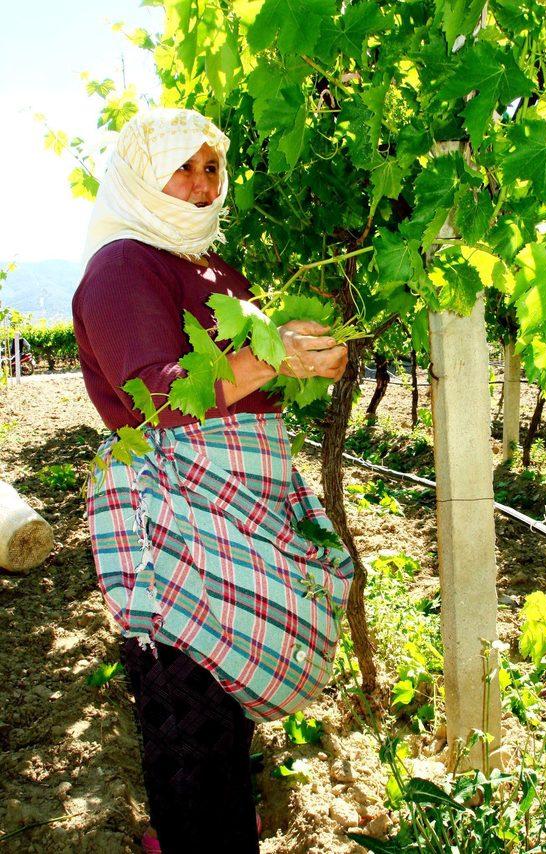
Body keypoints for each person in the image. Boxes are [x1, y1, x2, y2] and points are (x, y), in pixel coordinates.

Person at [72, 108, 354, 854]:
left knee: (221, 708)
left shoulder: (215, 269)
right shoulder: (123, 265)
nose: (202, 186)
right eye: (183, 166)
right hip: (177, 515)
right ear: (140, 173)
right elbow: (154, 394)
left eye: (212, 168)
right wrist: (272, 358)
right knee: (186, 707)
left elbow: (252, 385)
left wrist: (317, 361)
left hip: (236, 500)